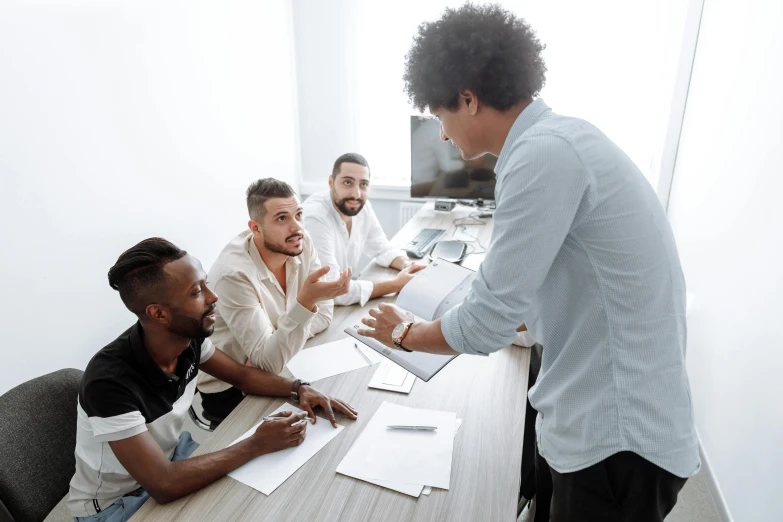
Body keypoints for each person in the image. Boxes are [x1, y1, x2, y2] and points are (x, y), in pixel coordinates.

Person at [357, 4, 700, 522]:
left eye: (440, 117)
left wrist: (407, 333)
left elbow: (487, 323)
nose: (443, 136)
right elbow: (549, 288)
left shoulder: (542, 155)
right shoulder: (558, 140)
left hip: (616, 433)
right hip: (598, 409)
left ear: (468, 99)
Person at [68, 238, 357, 521]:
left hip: (169, 459)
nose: (213, 296)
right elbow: (164, 485)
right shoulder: (109, 382)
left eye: (205, 283)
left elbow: (242, 376)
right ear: (159, 313)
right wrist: (256, 444)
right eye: (196, 292)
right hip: (116, 504)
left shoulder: (188, 339)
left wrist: (298, 388)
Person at [197, 178, 352, 424]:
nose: (297, 227)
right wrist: (304, 305)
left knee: (347, 397)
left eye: (298, 214)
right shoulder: (233, 275)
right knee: (316, 430)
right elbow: (268, 363)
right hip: (233, 388)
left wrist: (277, 342)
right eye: (282, 218)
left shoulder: (300, 242)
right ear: (255, 228)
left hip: (276, 364)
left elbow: (324, 314)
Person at [302, 153, 425, 306]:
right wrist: (396, 284)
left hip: (339, 303)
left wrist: (408, 267)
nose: (356, 194)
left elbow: (381, 249)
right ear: (331, 182)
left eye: (363, 184)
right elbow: (334, 289)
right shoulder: (316, 218)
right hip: (314, 310)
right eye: (347, 182)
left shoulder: (362, 207)